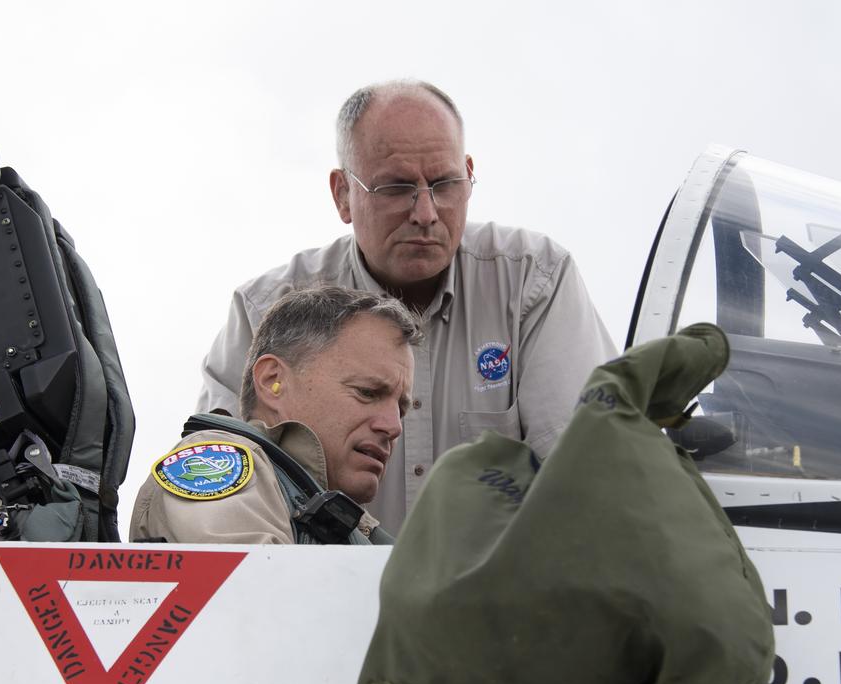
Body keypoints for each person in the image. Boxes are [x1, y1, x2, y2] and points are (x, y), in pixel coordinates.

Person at [198, 79, 616, 534]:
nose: (425, 212)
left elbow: (590, 482)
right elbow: (214, 497)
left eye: (444, 183)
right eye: (397, 188)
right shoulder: (264, 313)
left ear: (470, 176)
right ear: (342, 194)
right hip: (316, 595)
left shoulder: (534, 284)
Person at [131, 288, 420, 545]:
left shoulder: (346, 523)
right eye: (367, 392)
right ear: (272, 381)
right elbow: (256, 595)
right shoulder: (214, 462)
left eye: (401, 409)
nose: (393, 426)